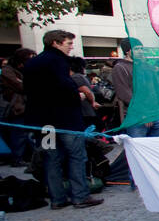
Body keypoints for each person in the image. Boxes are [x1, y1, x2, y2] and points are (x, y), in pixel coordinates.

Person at [22, 31, 102, 209]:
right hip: (65, 121)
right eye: (68, 43)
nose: (71, 46)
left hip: (44, 123)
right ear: (55, 43)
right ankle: (80, 196)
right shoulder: (58, 61)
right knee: (76, 156)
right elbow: (63, 86)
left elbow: (27, 91)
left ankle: (57, 198)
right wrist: (77, 95)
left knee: (51, 158)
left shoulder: (32, 63)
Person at [1, 48, 36, 165]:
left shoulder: (22, 71)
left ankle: (24, 156)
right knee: (18, 133)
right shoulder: (7, 71)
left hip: (24, 107)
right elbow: (21, 86)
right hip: (15, 108)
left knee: (24, 133)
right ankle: (17, 158)